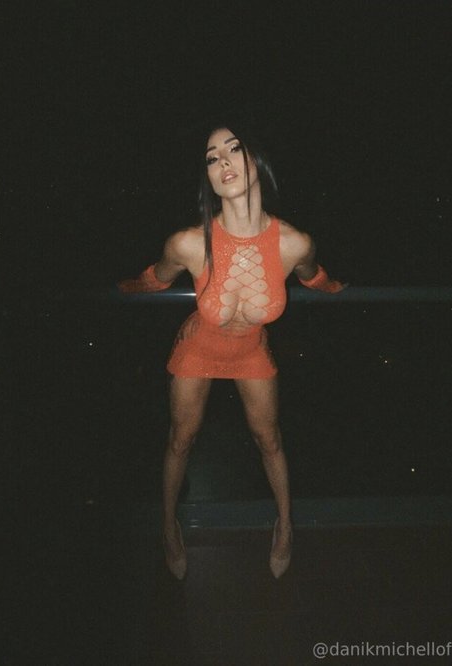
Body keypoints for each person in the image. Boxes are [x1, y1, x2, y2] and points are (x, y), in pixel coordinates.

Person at [119, 124, 344, 580]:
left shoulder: (294, 243)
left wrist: (341, 288)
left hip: (251, 351)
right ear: (208, 176)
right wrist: (117, 288)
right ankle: (168, 527)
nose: (221, 161)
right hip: (198, 347)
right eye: (211, 157)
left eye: (233, 149)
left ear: (256, 160)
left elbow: (315, 277)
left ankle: (286, 526)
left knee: (270, 440)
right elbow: (152, 280)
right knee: (180, 440)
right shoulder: (187, 242)